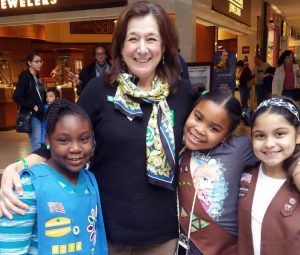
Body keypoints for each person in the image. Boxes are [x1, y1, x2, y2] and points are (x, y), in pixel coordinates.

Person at [0, 1, 194, 254]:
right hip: (104, 227)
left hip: (161, 229)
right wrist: (20, 166)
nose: (142, 49)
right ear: (121, 46)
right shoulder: (99, 90)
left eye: (152, 39)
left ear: (165, 45)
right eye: (133, 39)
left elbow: (212, 142)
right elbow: (65, 139)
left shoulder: (184, 95)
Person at [0, 99, 108, 254]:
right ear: (47, 139)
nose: (76, 148)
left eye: (84, 139)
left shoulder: (89, 180)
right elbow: (10, 249)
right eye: (64, 140)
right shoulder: (26, 187)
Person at [178, 88, 258, 255]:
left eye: (214, 129)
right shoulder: (176, 144)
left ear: (226, 136)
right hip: (184, 244)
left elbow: (275, 149)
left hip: (223, 247)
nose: (200, 129)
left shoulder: (239, 149)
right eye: (198, 117)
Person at [238, 97, 300, 255]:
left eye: (279, 134)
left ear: (298, 135)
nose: (269, 143)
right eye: (260, 136)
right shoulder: (245, 175)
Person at [13, 52, 46, 152]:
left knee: (41, 142)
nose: (40, 63)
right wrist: (33, 106)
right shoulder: (25, 76)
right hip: (32, 115)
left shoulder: (37, 77)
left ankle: (38, 165)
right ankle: (34, 167)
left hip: (40, 114)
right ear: (29, 63)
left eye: (41, 61)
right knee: (36, 143)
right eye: (36, 61)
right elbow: (16, 96)